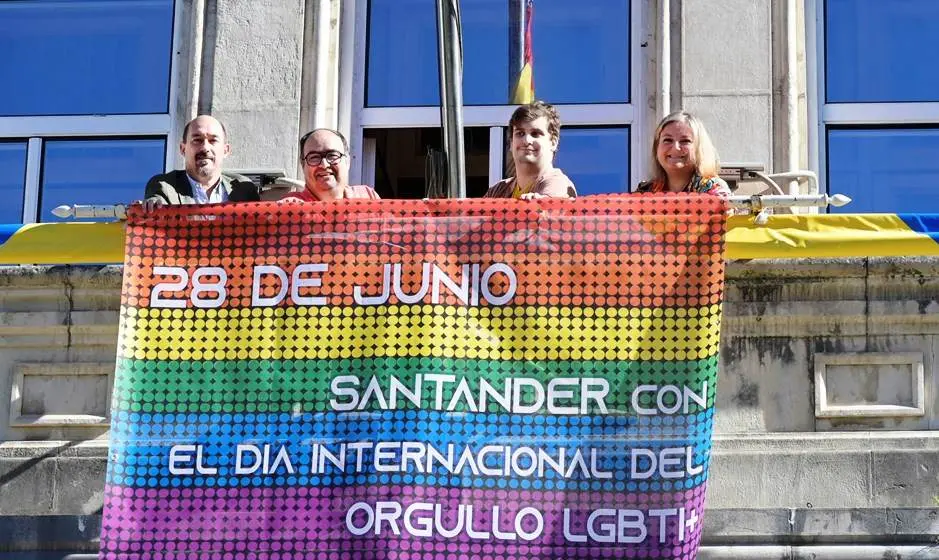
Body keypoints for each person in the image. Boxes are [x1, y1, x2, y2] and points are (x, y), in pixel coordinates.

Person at [141, 115, 259, 210]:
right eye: (197, 140)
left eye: (213, 140)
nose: (205, 148)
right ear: (183, 149)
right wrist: (152, 208)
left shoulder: (244, 189)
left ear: (225, 150)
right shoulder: (164, 187)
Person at [484, 101, 576, 199]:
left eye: (535, 134)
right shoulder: (498, 190)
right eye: (520, 133)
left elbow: (550, 207)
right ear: (511, 142)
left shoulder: (557, 185)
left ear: (553, 142)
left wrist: (541, 204)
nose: (527, 140)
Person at [636, 111, 731, 196]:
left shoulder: (714, 190)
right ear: (657, 147)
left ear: (699, 148)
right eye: (668, 140)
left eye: (685, 141)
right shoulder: (645, 192)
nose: (675, 148)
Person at [279, 128, 380, 202]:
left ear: (347, 162)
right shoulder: (289, 207)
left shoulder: (367, 196)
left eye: (332, 155)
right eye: (314, 157)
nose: (324, 164)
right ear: (303, 165)